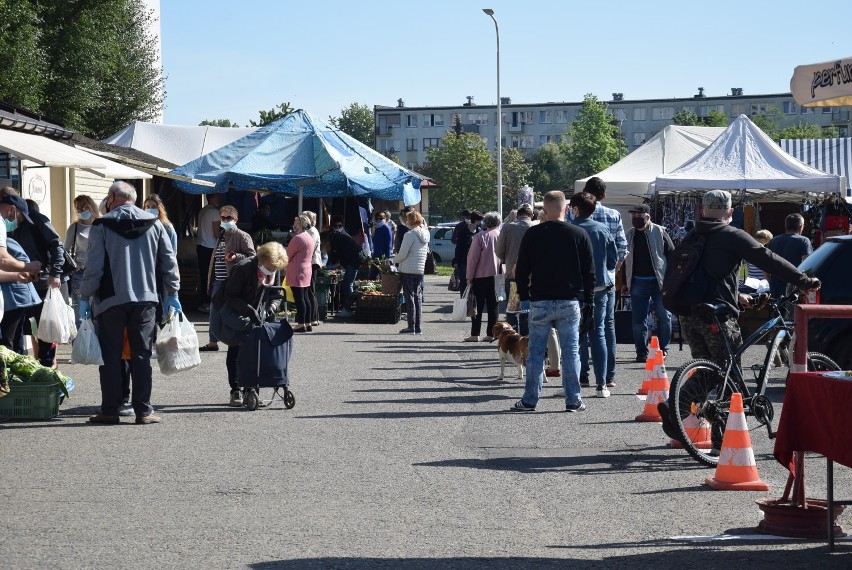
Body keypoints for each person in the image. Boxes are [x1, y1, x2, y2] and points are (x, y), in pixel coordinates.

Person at [658, 190, 820, 436]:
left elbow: (703, 276)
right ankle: (720, 440)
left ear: (702, 211)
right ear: (730, 212)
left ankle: (675, 408)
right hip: (717, 317)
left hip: (690, 315)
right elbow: (768, 259)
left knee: (711, 372)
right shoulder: (731, 235)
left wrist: (736, 296)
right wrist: (804, 280)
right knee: (729, 377)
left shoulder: (693, 234)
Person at [81, 181, 181, 425]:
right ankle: (143, 411)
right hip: (146, 299)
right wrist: (173, 293)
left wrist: (84, 297)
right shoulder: (154, 223)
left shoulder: (101, 225)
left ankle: (110, 410)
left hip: (110, 301)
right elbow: (169, 262)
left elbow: (94, 267)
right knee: (142, 356)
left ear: (113, 197)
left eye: (107, 197)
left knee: (111, 357)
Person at [512, 191, 595, 412]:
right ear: (566, 208)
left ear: (545, 211)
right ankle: (573, 399)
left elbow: (521, 270)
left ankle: (530, 399)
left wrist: (524, 295)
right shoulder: (579, 234)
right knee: (571, 352)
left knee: (536, 352)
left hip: (540, 300)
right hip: (570, 301)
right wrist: (589, 300)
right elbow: (589, 272)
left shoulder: (533, 234)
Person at [215, 242, 288, 407]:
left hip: (257, 310)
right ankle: (236, 390)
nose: (272, 272)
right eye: (270, 268)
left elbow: (275, 293)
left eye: (275, 269)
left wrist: (272, 307)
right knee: (236, 347)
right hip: (234, 310)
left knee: (256, 351)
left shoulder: (274, 267)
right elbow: (230, 295)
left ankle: (252, 389)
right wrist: (248, 310)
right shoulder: (243, 268)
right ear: (261, 260)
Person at [2, 190, 67, 367]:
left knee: (44, 331)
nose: (8, 217)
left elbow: (56, 245)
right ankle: (20, 368)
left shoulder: (37, 220)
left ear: (17, 209)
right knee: (18, 333)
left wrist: (55, 273)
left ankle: (48, 366)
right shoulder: (8, 225)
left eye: (11, 213)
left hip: (41, 282)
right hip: (17, 286)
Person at [570, 192, 618, 398]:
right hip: (600, 287)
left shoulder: (570, 230)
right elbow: (613, 260)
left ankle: (579, 379)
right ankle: (602, 385)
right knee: (598, 333)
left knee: (576, 335)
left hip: (575, 289)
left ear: (576, 209)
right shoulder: (602, 229)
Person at [583, 177, 627, 386]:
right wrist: (613, 269)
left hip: (581, 281)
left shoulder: (574, 217)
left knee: (581, 327)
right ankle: (609, 375)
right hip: (606, 280)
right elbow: (622, 248)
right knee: (606, 326)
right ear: (603, 195)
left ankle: (582, 373)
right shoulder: (613, 214)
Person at [622, 203, 674, 363]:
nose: (635, 218)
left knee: (664, 316)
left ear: (647, 216)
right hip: (637, 281)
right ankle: (641, 352)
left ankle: (663, 349)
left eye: (638, 215)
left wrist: (672, 281)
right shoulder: (629, 234)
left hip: (660, 281)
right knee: (638, 320)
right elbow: (624, 261)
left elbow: (672, 255)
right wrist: (624, 282)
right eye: (633, 215)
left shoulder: (660, 231)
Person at [201, 205, 255, 353]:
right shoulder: (221, 235)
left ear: (236, 219)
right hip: (219, 280)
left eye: (228, 218)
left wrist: (236, 256)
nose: (225, 220)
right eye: (223, 217)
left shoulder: (242, 236)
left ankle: (239, 338)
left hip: (232, 282)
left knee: (231, 312)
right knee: (214, 311)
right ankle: (213, 341)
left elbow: (252, 257)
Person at [495, 203, 535, 335]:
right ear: (532, 215)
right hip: (533, 275)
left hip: (513, 273)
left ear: (517, 216)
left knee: (512, 308)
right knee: (529, 308)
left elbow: (499, 250)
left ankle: (512, 336)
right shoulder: (537, 227)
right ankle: (526, 336)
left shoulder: (507, 227)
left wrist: (507, 260)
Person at [464, 212, 502, 343]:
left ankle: (475, 334)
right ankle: (492, 334)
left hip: (480, 276)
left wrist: (469, 277)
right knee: (494, 306)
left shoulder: (480, 237)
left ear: (486, 222)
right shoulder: (501, 236)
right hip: (497, 275)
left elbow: (472, 259)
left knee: (477, 305)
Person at [65, 195, 100, 329]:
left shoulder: (100, 225)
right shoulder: (74, 227)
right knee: (80, 315)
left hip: (98, 272)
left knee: (98, 314)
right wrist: (75, 265)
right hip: (80, 274)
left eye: (84, 207)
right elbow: (65, 251)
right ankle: (80, 348)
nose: (81, 210)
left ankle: (96, 348)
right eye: (78, 208)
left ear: (91, 206)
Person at [0, 237, 41, 350]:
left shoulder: (7, 242)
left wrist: (18, 272)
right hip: (12, 299)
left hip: (15, 299)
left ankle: (9, 366)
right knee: (13, 339)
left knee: (8, 340)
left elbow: (25, 264)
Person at [394, 209, 429, 334]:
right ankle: (418, 326)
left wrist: (394, 260)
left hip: (408, 269)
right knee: (418, 297)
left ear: (410, 221)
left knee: (409, 297)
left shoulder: (409, 235)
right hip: (420, 269)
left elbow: (402, 254)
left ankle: (411, 326)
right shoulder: (425, 234)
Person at [766, 213, 812, 301]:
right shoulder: (804, 241)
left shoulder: (773, 241)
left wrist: (770, 282)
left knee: (777, 312)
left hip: (775, 284)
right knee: (792, 313)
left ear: (786, 225)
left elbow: (766, 266)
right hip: (794, 285)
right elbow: (808, 265)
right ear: (801, 226)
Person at [327, 215, 364, 318]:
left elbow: (341, 254)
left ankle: (348, 309)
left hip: (354, 260)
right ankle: (349, 308)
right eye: (336, 226)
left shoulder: (337, 237)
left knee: (348, 284)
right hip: (356, 259)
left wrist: (336, 265)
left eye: (340, 225)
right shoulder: (342, 235)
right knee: (348, 283)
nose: (338, 227)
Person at [287, 214, 316, 333]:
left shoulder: (297, 238)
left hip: (297, 270)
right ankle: (308, 322)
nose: (294, 225)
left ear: (299, 225)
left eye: (295, 223)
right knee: (305, 297)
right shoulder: (309, 237)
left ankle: (301, 324)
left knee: (299, 298)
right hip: (306, 269)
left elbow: (287, 255)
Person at [196, 193, 222, 312]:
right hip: (210, 247)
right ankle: (210, 301)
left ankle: (202, 301)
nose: (219, 198)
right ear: (212, 197)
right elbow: (216, 233)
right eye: (217, 196)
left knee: (203, 275)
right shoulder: (214, 212)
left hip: (201, 245)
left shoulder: (202, 210)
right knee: (211, 276)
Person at [454, 210, 481, 298]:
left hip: (476, 261)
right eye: (479, 220)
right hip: (464, 260)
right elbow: (459, 247)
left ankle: (473, 304)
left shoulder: (479, 231)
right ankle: (464, 302)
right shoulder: (463, 230)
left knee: (475, 283)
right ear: (475, 220)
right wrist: (456, 261)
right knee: (464, 283)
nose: (480, 222)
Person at [302, 210, 322, 327]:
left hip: (312, 262)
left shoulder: (313, 231)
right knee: (309, 289)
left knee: (310, 289)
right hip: (309, 262)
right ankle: (312, 317)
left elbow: (310, 247)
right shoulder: (308, 231)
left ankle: (314, 317)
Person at [369, 210, 393, 280]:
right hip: (375, 256)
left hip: (383, 257)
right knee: (371, 277)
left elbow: (389, 245)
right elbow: (373, 241)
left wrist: (387, 258)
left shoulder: (387, 229)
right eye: (377, 219)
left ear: (385, 219)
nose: (378, 220)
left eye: (381, 218)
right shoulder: (377, 229)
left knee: (383, 277)